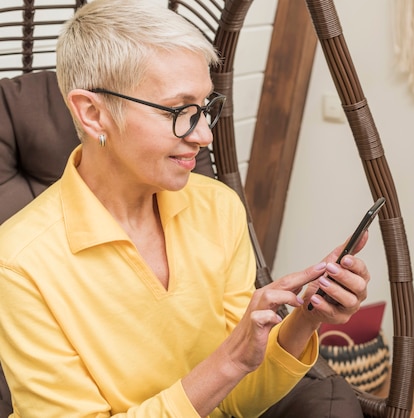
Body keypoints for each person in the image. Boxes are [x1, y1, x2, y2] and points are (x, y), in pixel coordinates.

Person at [0, 0, 370, 417]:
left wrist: (304, 318)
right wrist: (228, 359)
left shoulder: (218, 208)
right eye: (179, 111)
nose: (204, 136)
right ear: (93, 114)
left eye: (206, 108)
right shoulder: (18, 263)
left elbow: (235, 402)